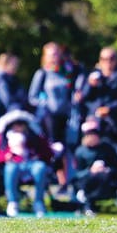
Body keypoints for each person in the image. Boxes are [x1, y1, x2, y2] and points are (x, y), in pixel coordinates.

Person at [0, 110, 57, 217]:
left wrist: (37, 155)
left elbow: (47, 152)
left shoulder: (34, 137)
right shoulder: (4, 138)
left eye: (21, 124)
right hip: (13, 164)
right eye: (15, 124)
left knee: (40, 167)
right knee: (11, 168)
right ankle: (13, 202)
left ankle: (38, 202)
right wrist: (5, 156)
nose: (18, 127)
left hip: (31, 164)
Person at [28, 42, 76, 192]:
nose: (54, 57)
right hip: (48, 117)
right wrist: (45, 103)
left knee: (65, 149)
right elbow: (32, 97)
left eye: (56, 54)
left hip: (65, 117)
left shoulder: (65, 72)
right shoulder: (42, 73)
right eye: (51, 54)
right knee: (53, 148)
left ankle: (65, 182)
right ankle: (49, 180)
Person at [71, 117, 117, 216]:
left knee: (102, 176)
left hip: (106, 181)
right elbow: (77, 174)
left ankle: (87, 198)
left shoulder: (107, 149)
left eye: (94, 134)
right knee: (89, 179)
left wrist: (106, 169)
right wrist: (90, 171)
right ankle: (88, 203)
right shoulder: (80, 152)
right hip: (87, 181)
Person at [77, 47, 117, 140]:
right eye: (104, 59)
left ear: (116, 60)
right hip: (93, 120)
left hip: (113, 121)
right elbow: (84, 96)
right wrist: (90, 85)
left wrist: (109, 109)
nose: (108, 62)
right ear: (100, 60)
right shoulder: (94, 75)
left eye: (111, 58)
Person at [0, 53, 27, 136]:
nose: (16, 67)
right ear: (6, 64)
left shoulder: (12, 79)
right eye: (14, 64)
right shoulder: (0, 80)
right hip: (1, 123)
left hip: (9, 120)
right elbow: (7, 100)